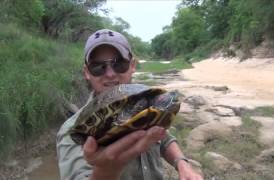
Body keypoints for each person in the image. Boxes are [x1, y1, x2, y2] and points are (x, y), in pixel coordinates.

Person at [56, 29, 203, 180]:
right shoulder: (74, 130)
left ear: (132, 65)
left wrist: (182, 164)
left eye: (119, 64)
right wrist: (106, 172)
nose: (110, 74)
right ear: (87, 72)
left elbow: (163, 137)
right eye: (98, 67)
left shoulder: (150, 105)